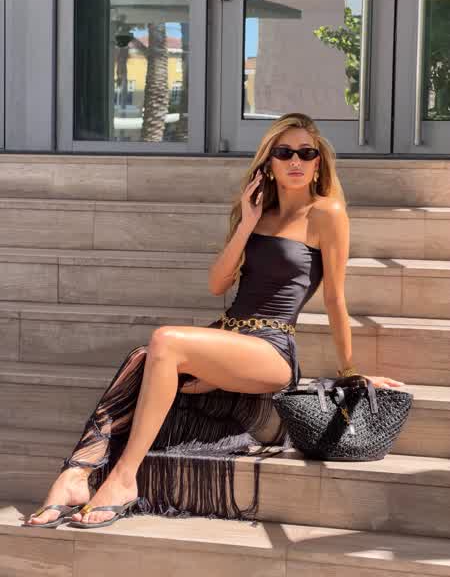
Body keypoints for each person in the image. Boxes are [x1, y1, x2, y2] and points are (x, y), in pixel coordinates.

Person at [24, 112, 404, 529]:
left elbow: (334, 298)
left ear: (319, 163)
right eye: (283, 152)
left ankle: (122, 478)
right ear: (269, 163)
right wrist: (247, 223)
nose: (295, 160)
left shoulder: (326, 213)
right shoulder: (259, 214)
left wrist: (350, 372)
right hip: (228, 336)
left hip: (273, 348)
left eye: (305, 152)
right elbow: (217, 283)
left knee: (165, 340)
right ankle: (77, 474)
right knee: (142, 358)